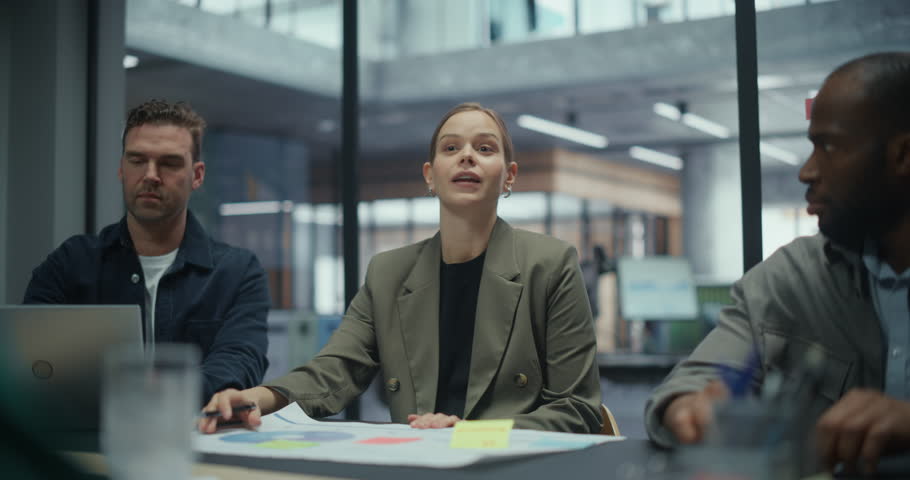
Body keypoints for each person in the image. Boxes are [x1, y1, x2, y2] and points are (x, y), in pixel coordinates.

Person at [200, 102, 603, 433]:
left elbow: (577, 408)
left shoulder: (550, 265)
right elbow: (336, 369)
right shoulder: (388, 273)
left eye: (484, 148)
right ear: (430, 176)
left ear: (509, 177)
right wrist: (258, 397)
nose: (466, 156)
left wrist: (467, 433)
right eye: (450, 148)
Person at [645, 52, 910, 474]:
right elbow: (692, 384)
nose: (806, 172)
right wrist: (690, 406)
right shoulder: (791, 277)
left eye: (828, 146)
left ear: (902, 155)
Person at [23, 99, 270, 402]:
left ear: (197, 175)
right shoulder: (71, 263)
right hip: (86, 442)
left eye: (169, 162)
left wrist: (156, 393)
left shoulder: (237, 272)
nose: (151, 174)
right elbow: (32, 363)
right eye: (137, 160)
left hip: (193, 439)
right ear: (121, 169)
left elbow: (241, 361)